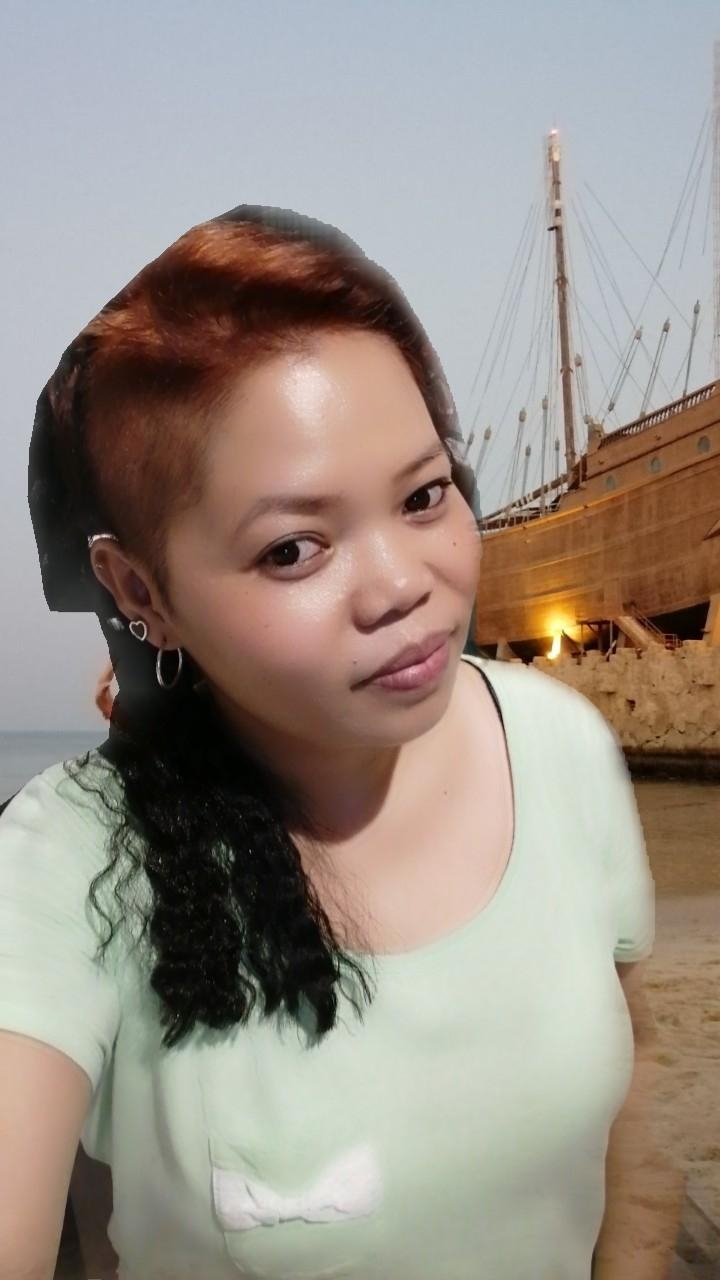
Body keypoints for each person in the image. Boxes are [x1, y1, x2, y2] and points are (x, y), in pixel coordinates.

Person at [0, 206, 658, 1280]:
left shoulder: (559, 746)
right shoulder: (71, 857)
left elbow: (629, 1097)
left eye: (425, 495)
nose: (402, 583)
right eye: (294, 549)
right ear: (141, 591)